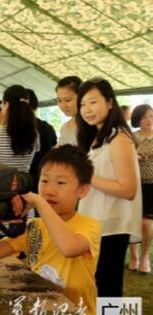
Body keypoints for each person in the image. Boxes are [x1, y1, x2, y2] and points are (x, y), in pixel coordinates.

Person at [0, 144, 101, 315]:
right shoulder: (34, 225)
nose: (50, 190)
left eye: (61, 183)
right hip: (42, 312)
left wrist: (39, 202)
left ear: (83, 190)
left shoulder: (89, 225)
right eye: (45, 180)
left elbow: (69, 248)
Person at [76, 78, 142, 302]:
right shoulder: (98, 137)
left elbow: (128, 189)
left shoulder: (119, 137)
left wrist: (86, 176)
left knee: (109, 289)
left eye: (93, 102)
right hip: (97, 223)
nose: (87, 110)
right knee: (100, 287)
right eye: (82, 104)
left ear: (110, 102)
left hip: (112, 225)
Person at [0, 85, 39, 173]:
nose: (1, 105)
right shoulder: (34, 133)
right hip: (23, 183)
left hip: (2, 183)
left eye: (2, 103)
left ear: (7, 105)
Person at [128, 104, 153, 273]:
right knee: (134, 222)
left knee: (146, 223)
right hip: (135, 183)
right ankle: (134, 256)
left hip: (152, 185)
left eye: (151, 116)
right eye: (144, 117)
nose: (148, 120)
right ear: (137, 119)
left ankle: (145, 257)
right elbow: (125, 157)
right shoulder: (132, 137)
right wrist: (135, 156)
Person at [27, 88, 58, 192]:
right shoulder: (48, 127)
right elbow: (54, 151)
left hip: (24, 182)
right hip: (43, 179)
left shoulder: (15, 130)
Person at [56, 76, 82, 146]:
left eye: (68, 100)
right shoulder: (64, 127)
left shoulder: (92, 125)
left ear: (82, 97)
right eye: (59, 101)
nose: (63, 105)